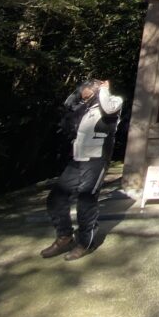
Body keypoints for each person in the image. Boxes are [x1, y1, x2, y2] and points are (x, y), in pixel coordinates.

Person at [40, 79, 123, 261]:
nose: (85, 92)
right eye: (83, 89)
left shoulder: (113, 101)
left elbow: (109, 109)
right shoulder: (85, 109)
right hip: (78, 159)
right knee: (56, 198)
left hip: (97, 158)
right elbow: (68, 109)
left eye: (89, 88)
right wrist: (78, 97)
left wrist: (104, 90)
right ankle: (64, 236)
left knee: (86, 200)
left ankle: (85, 242)